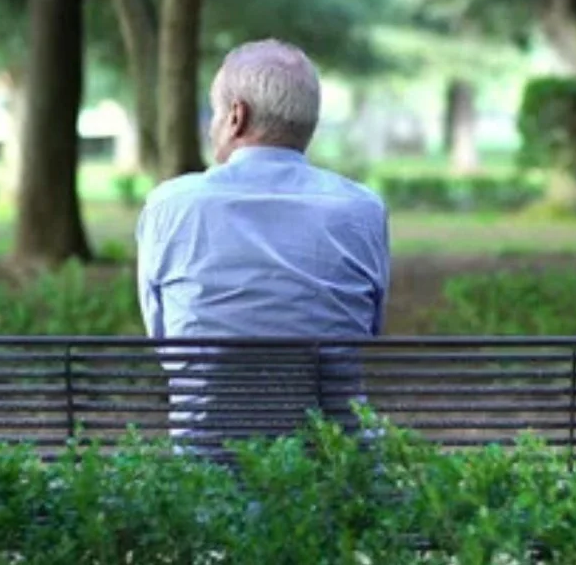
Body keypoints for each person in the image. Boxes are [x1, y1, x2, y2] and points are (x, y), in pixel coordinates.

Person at [135, 38, 390, 454]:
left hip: (207, 463)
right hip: (333, 463)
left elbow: (166, 343)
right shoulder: (362, 210)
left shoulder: (171, 205)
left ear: (236, 116)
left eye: (215, 112)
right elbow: (367, 330)